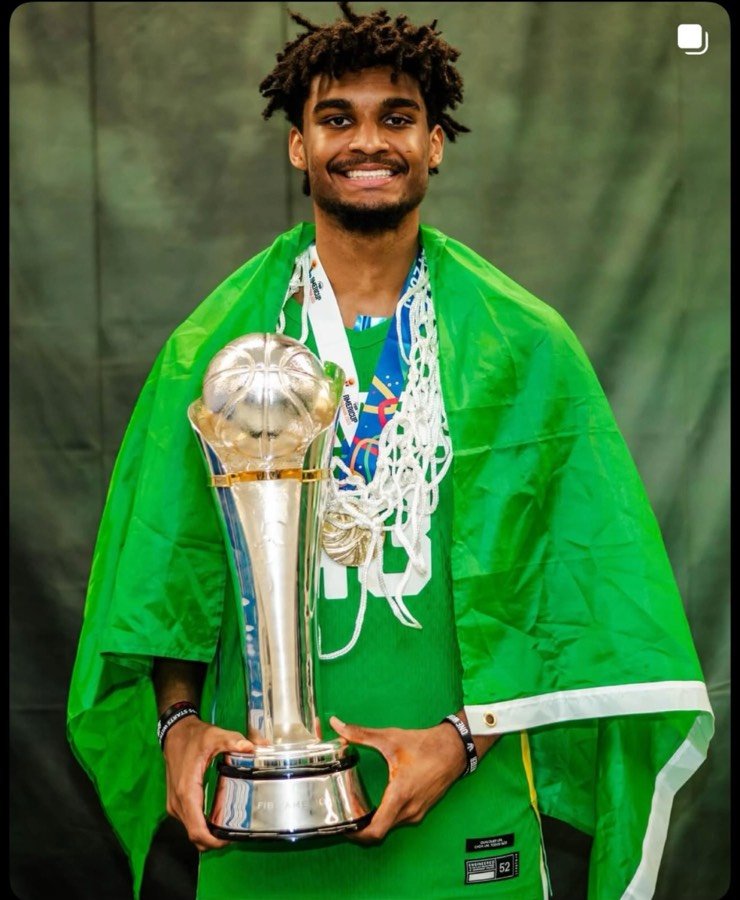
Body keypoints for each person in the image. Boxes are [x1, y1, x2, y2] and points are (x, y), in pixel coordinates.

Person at [67, 4, 713, 899]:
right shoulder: (215, 347)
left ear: (435, 143)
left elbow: (575, 585)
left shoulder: (522, 343)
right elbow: (172, 570)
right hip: (260, 819)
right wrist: (177, 722)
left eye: (396, 118)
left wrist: (464, 738)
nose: (367, 141)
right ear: (298, 146)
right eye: (338, 118)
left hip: (466, 798)